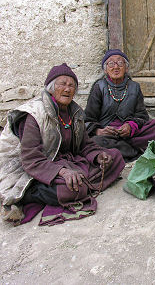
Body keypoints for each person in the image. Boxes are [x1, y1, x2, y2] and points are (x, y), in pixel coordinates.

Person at [0, 63, 125, 225]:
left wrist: (97, 155)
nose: (67, 89)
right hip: (30, 169)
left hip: (65, 161)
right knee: (73, 189)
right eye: (62, 84)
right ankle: (28, 194)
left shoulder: (74, 112)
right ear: (51, 87)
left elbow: (84, 145)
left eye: (72, 85)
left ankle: (80, 184)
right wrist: (63, 172)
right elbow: (31, 160)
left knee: (115, 157)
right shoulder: (34, 115)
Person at [85, 49, 155, 162]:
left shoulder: (134, 87)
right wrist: (99, 131)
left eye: (120, 63)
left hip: (130, 135)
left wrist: (130, 126)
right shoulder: (98, 87)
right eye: (111, 64)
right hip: (107, 135)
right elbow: (88, 119)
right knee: (95, 142)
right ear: (105, 70)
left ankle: (122, 150)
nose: (116, 67)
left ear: (126, 68)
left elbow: (142, 116)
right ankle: (133, 150)